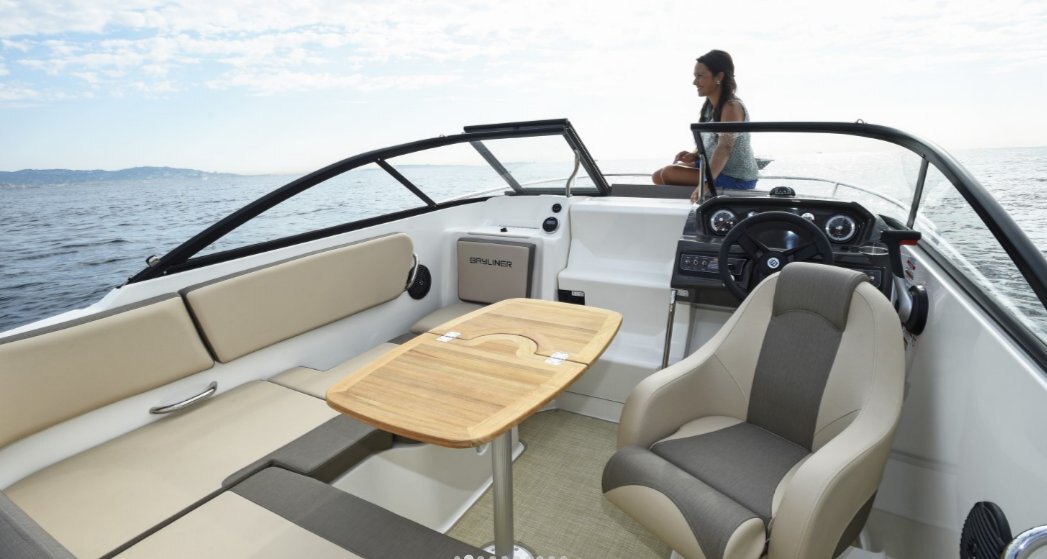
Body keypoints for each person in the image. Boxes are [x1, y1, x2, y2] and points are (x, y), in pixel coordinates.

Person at [652, 49, 759, 202]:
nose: (695, 82)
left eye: (700, 76)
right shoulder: (710, 107)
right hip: (715, 168)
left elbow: (725, 147)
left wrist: (706, 183)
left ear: (719, 77)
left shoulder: (731, 106)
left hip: (735, 176)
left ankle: (697, 203)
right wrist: (694, 154)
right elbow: (711, 142)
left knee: (669, 173)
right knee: (657, 176)